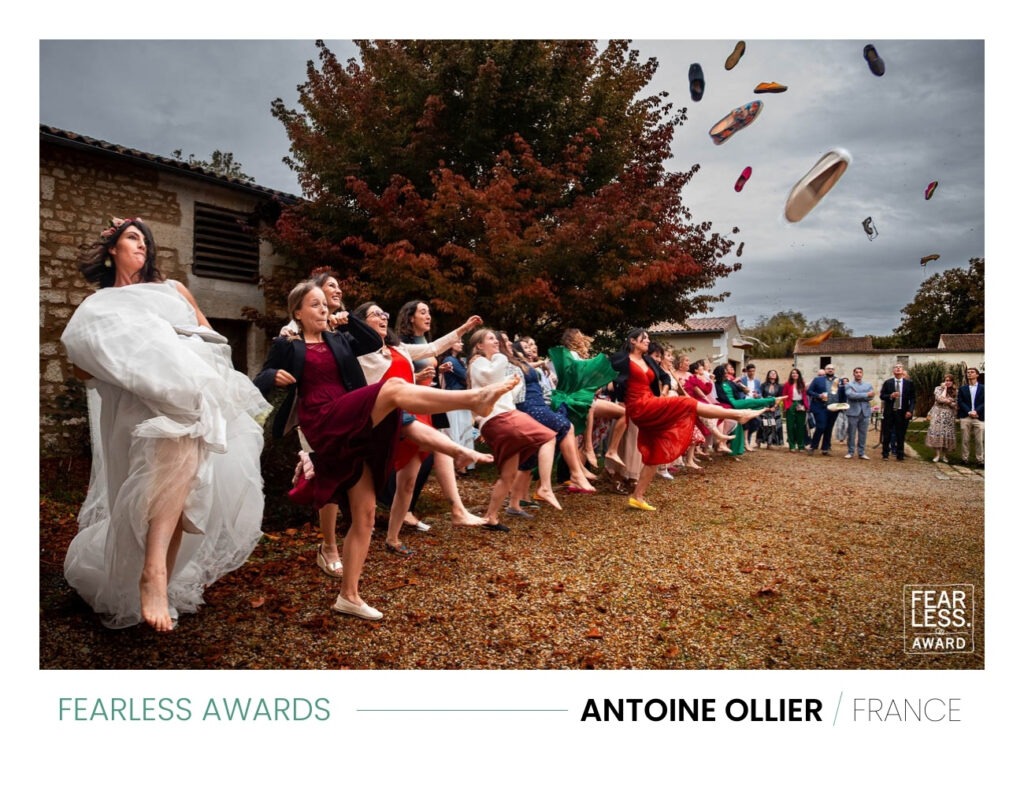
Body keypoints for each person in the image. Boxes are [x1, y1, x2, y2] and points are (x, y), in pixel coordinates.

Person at [255, 283, 516, 619]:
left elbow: (371, 342)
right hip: (321, 418)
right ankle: (474, 400)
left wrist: (349, 320)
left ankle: (348, 596)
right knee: (393, 388)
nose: (323, 309)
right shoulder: (288, 344)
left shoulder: (338, 338)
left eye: (325, 304)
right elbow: (260, 378)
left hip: (351, 419)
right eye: (315, 305)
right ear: (297, 312)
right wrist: (272, 376)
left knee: (364, 514)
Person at [62, 217, 270, 632]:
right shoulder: (99, 305)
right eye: (132, 237)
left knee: (185, 480)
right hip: (134, 406)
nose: (142, 244)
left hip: (184, 395)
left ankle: (158, 577)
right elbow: (83, 367)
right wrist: (133, 355)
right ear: (112, 249)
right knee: (151, 495)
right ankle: (150, 577)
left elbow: (212, 340)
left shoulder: (172, 290)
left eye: (145, 239)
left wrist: (172, 344)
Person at [353, 302, 492, 556]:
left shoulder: (399, 348)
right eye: (375, 314)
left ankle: (393, 539)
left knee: (407, 483)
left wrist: (464, 328)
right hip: (384, 416)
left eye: (384, 313)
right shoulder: (357, 350)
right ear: (361, 322)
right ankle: (459, 456)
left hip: (415, 413)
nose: (383, 318)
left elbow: (432, 348)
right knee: (372, 480)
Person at [612, 330, 767, 511]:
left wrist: (665, 388)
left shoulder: (647, 360)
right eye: (643, 338)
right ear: (632, 341)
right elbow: (600, 371)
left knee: (656, 450)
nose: (647, 340)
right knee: (687, 403)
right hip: (639, 405)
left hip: (651, 401)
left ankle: (637, 497)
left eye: (648, 337)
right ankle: (737, 415)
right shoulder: (621, 359)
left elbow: (663, 377)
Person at [466, 328, 558, 528]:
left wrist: (513, 383)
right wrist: (501, 357)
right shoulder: (479, 362)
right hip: (500, 418)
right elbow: (491, 375)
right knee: (549, 436)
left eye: (496, 339)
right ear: (479, 345)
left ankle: (491, 517)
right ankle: (545, 487)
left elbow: (508, 394)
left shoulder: (492, 363)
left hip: (503, 416)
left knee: (508, 475)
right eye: (491, 339)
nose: (496, 342)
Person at [879, 363, 916, 461]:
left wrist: (910, 410)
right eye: (896, 367)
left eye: (900, 367)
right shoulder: (888, 383)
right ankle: (885, 454)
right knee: (887, 433)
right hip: (890, 411)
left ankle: (900, 454)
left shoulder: (909, 383)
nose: (898, 368)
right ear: (893, 371)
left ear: (903, 371)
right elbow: (882, 396)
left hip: (902, 412)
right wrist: (890, 396)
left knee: (900, 434)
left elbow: (913, 399)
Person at [807, 364, 843, 455]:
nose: (830, 370)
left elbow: (842, 393)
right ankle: (813, 446)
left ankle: (825, 449)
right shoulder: (817, 380)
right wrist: (819, 395)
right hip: (820, 407)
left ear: (834, 370)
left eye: (832, 369)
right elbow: (809, 391)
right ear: (825, 370)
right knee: (821, 426)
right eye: (828, 369)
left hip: (834, 408)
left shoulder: (839, 381)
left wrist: (842, 405)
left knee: (829, 428)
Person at [843, 367, 875, 459]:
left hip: (865, 411)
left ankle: (861, 452)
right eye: (856, 372)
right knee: (851, 433)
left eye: (860, 372)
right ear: (853, 374)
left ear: (862, 374)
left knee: (863, 433)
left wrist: (857, 395)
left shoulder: (868, 385)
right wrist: (865, 394)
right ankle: (850, 452)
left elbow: (871, 397)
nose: (858, 374)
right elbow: (850, 395)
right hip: (853, 411)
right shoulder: (849, 385)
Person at [957, 367, 985, 465]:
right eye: (968, 372)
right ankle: (964, 459)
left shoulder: (984, 388)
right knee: (965, 440)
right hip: (966, 416)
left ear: (977, 375)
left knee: (979, 440)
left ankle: (980, 460)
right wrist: (969, 412)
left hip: (979, 417)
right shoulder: (962, 389)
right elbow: (960, 402)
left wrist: (976, 411)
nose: (969, 374)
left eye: (972, 372)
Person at [782, 368, 810, 452]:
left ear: (799, 375)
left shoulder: (802, 384)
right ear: (791, 375)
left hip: (801, 404)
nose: (794, 374)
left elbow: (805, 395)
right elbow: (784, 395)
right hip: (791, 404)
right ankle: (792, 445)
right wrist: (786, 406)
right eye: (793, 373)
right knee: (790, 426)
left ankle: (801, 445)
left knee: (800, 426)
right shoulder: (787, 384)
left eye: (796, 373)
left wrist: (806, 406)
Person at [737, 363, 763, 450]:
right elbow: (739, 392)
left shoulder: (757, 381)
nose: (752, 373)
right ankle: (746, 442)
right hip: (745, 403)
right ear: (747, 372)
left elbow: (760, 393)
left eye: (753, 371)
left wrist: (757, 395)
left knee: (756, 422)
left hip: (754, 404)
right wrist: (744, 397)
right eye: (750, 371)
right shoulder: (742, 380)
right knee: (746, 424)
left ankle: (747, 439)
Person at [759, 369, 784, 448]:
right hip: (765, 407)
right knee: (763, 424)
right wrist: (766, 406)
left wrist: (774, 407)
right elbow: (760, 396)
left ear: (776, 376)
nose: (773, 374)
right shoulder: (763, 385)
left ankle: (769, 443)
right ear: (768, 375)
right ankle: (759, 441)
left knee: (772, 425)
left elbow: (780, 398)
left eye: (774, 373)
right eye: (771, 373)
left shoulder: (780, 386)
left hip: (775, 408)